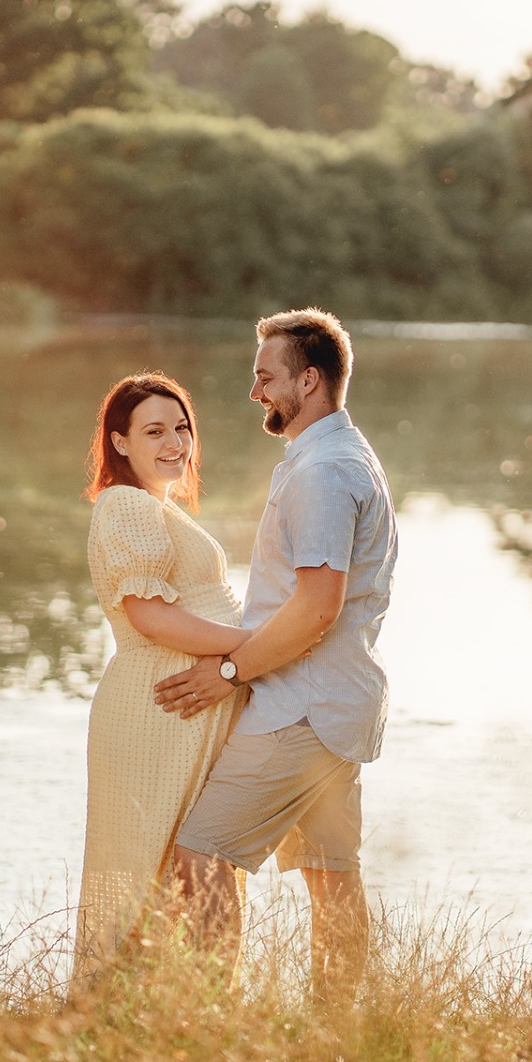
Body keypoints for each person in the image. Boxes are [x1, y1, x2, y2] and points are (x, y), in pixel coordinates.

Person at [153, 308, 398, 1001]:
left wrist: (230, 671)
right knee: (331, 875)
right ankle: (335, 1029)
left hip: (301, 709)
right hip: (338, 705)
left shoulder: (323, 471)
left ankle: (211, 1020)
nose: (254, 391)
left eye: (266, 377)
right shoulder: (345, 454)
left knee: (199, 855)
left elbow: (317, 607)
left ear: (308, 380)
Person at [74, 372, 252, 977]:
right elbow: (149, 617)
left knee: (189, 866)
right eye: (154, 431)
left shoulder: (155, 508)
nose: (175, 442)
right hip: (159, 709)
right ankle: (161, 1007)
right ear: (119, 442)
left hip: (181, 707)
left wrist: (240, 663)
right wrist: (254, 649)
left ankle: (185, 1009)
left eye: (181, 428)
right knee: (159, 866)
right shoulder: (125, 504)